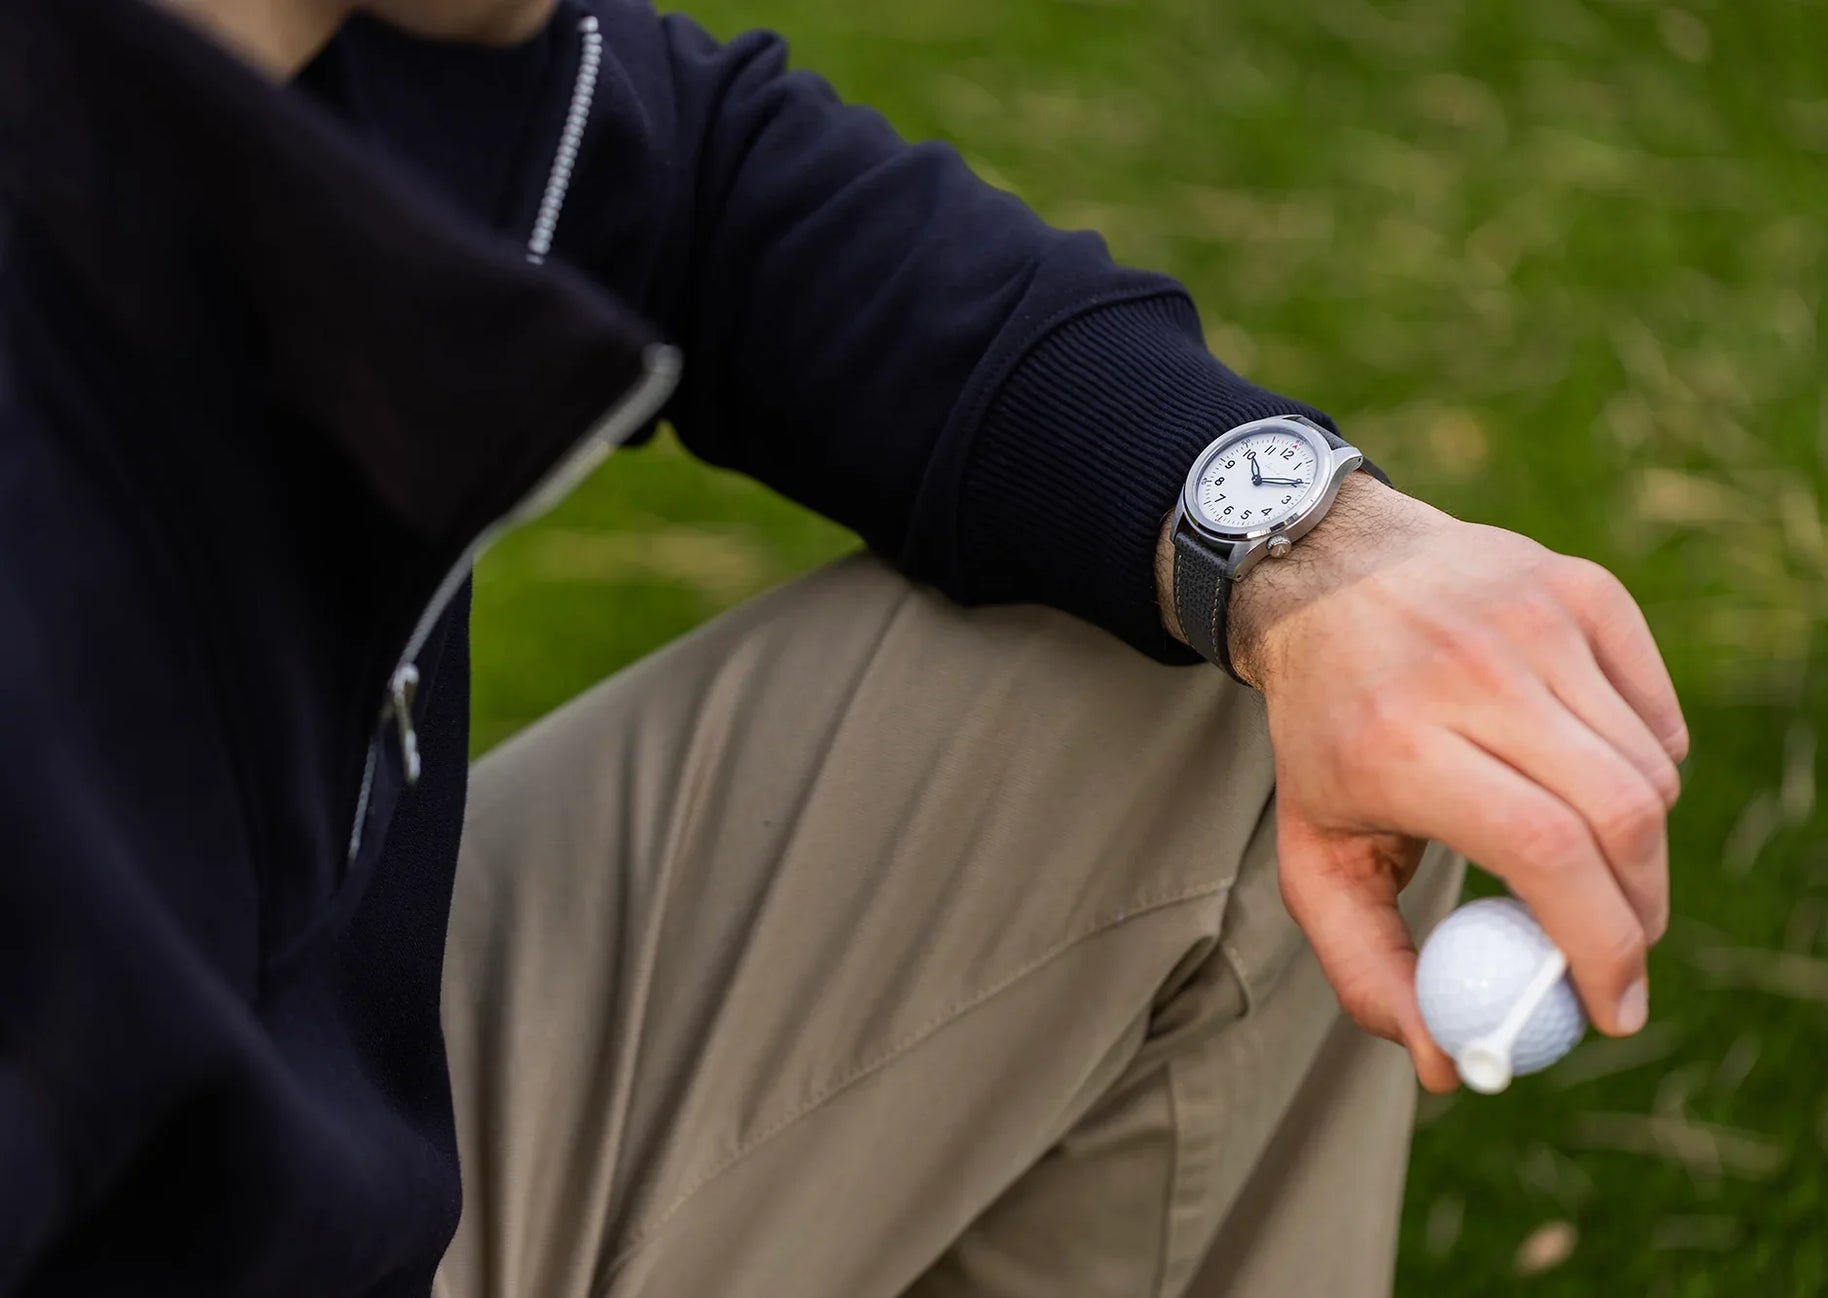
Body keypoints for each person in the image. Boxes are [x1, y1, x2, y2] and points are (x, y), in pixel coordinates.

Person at [0, 0, 1687, 1293]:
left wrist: (1303, 554)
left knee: (1240, 692)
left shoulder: (360, 36)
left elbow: (700, 185)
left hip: (311, 1121)